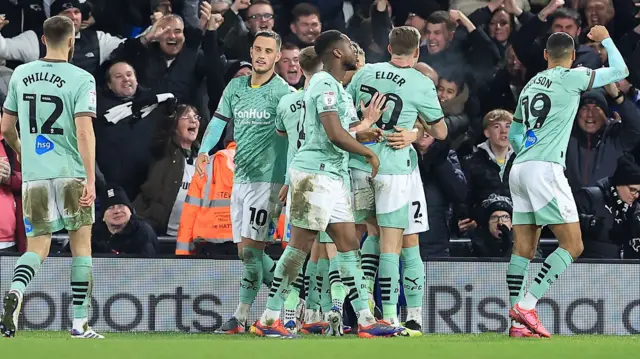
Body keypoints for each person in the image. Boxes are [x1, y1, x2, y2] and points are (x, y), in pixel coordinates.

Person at [251, 30, 400, 339]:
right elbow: (333, 133)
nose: (352, 49)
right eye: (348, 44)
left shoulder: (337, 89)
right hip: (313, 176)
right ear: (336, 52)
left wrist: (362, 133)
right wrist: (367, 152)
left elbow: (338, 130)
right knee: (298, 250)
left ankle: (366, 321)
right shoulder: (322, 83)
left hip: (332, 177)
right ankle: (269, 318)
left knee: (348, 247)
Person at [506, 25, 629, 338]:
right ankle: (528, 306)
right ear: (573, 56)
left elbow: (514, 134)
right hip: (545, 169)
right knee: (573, 245)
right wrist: (605, 39)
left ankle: (516, 325)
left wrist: (528, 151)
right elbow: (620, 70)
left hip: (520, 168)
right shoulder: (573, 76)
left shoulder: (531, 84)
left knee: (523, 249)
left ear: (546, 55)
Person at [0, 16, 102, 339]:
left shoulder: (21, 74)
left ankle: (16, 291)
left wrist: (24, 153)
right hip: (71, 173)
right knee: (81, 248)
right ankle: (79, 323)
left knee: (37, 248)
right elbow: (85, 132)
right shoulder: (81, 78)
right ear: (71, 42)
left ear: (43, 40)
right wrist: (91, 178)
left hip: (34, 178)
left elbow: (4, 129)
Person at [346, 26, 447, 332]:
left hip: (359, 164)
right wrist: (417, 131)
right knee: (395, 243)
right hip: (394, 168)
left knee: (371, 235)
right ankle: (392, 316)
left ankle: (365, 311)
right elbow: (441, 132)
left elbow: (348, 117)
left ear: (388, 48)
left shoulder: (364, 74)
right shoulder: (421, 82)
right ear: (418, 52)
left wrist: (412, 130)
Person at [196, 30, 293, 334]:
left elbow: (293, 140)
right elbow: (219, 121)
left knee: (252, 251)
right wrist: (203, 150)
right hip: (242, 179)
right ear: (251, 52)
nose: (262, 55)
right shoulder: (236, 86)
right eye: (258, 50)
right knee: (246, 252)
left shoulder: (284, 94)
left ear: (277, 56)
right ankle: (291, 297)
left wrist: (289, 178)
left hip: (269, 181)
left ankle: (247, 315)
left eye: (268, 51)